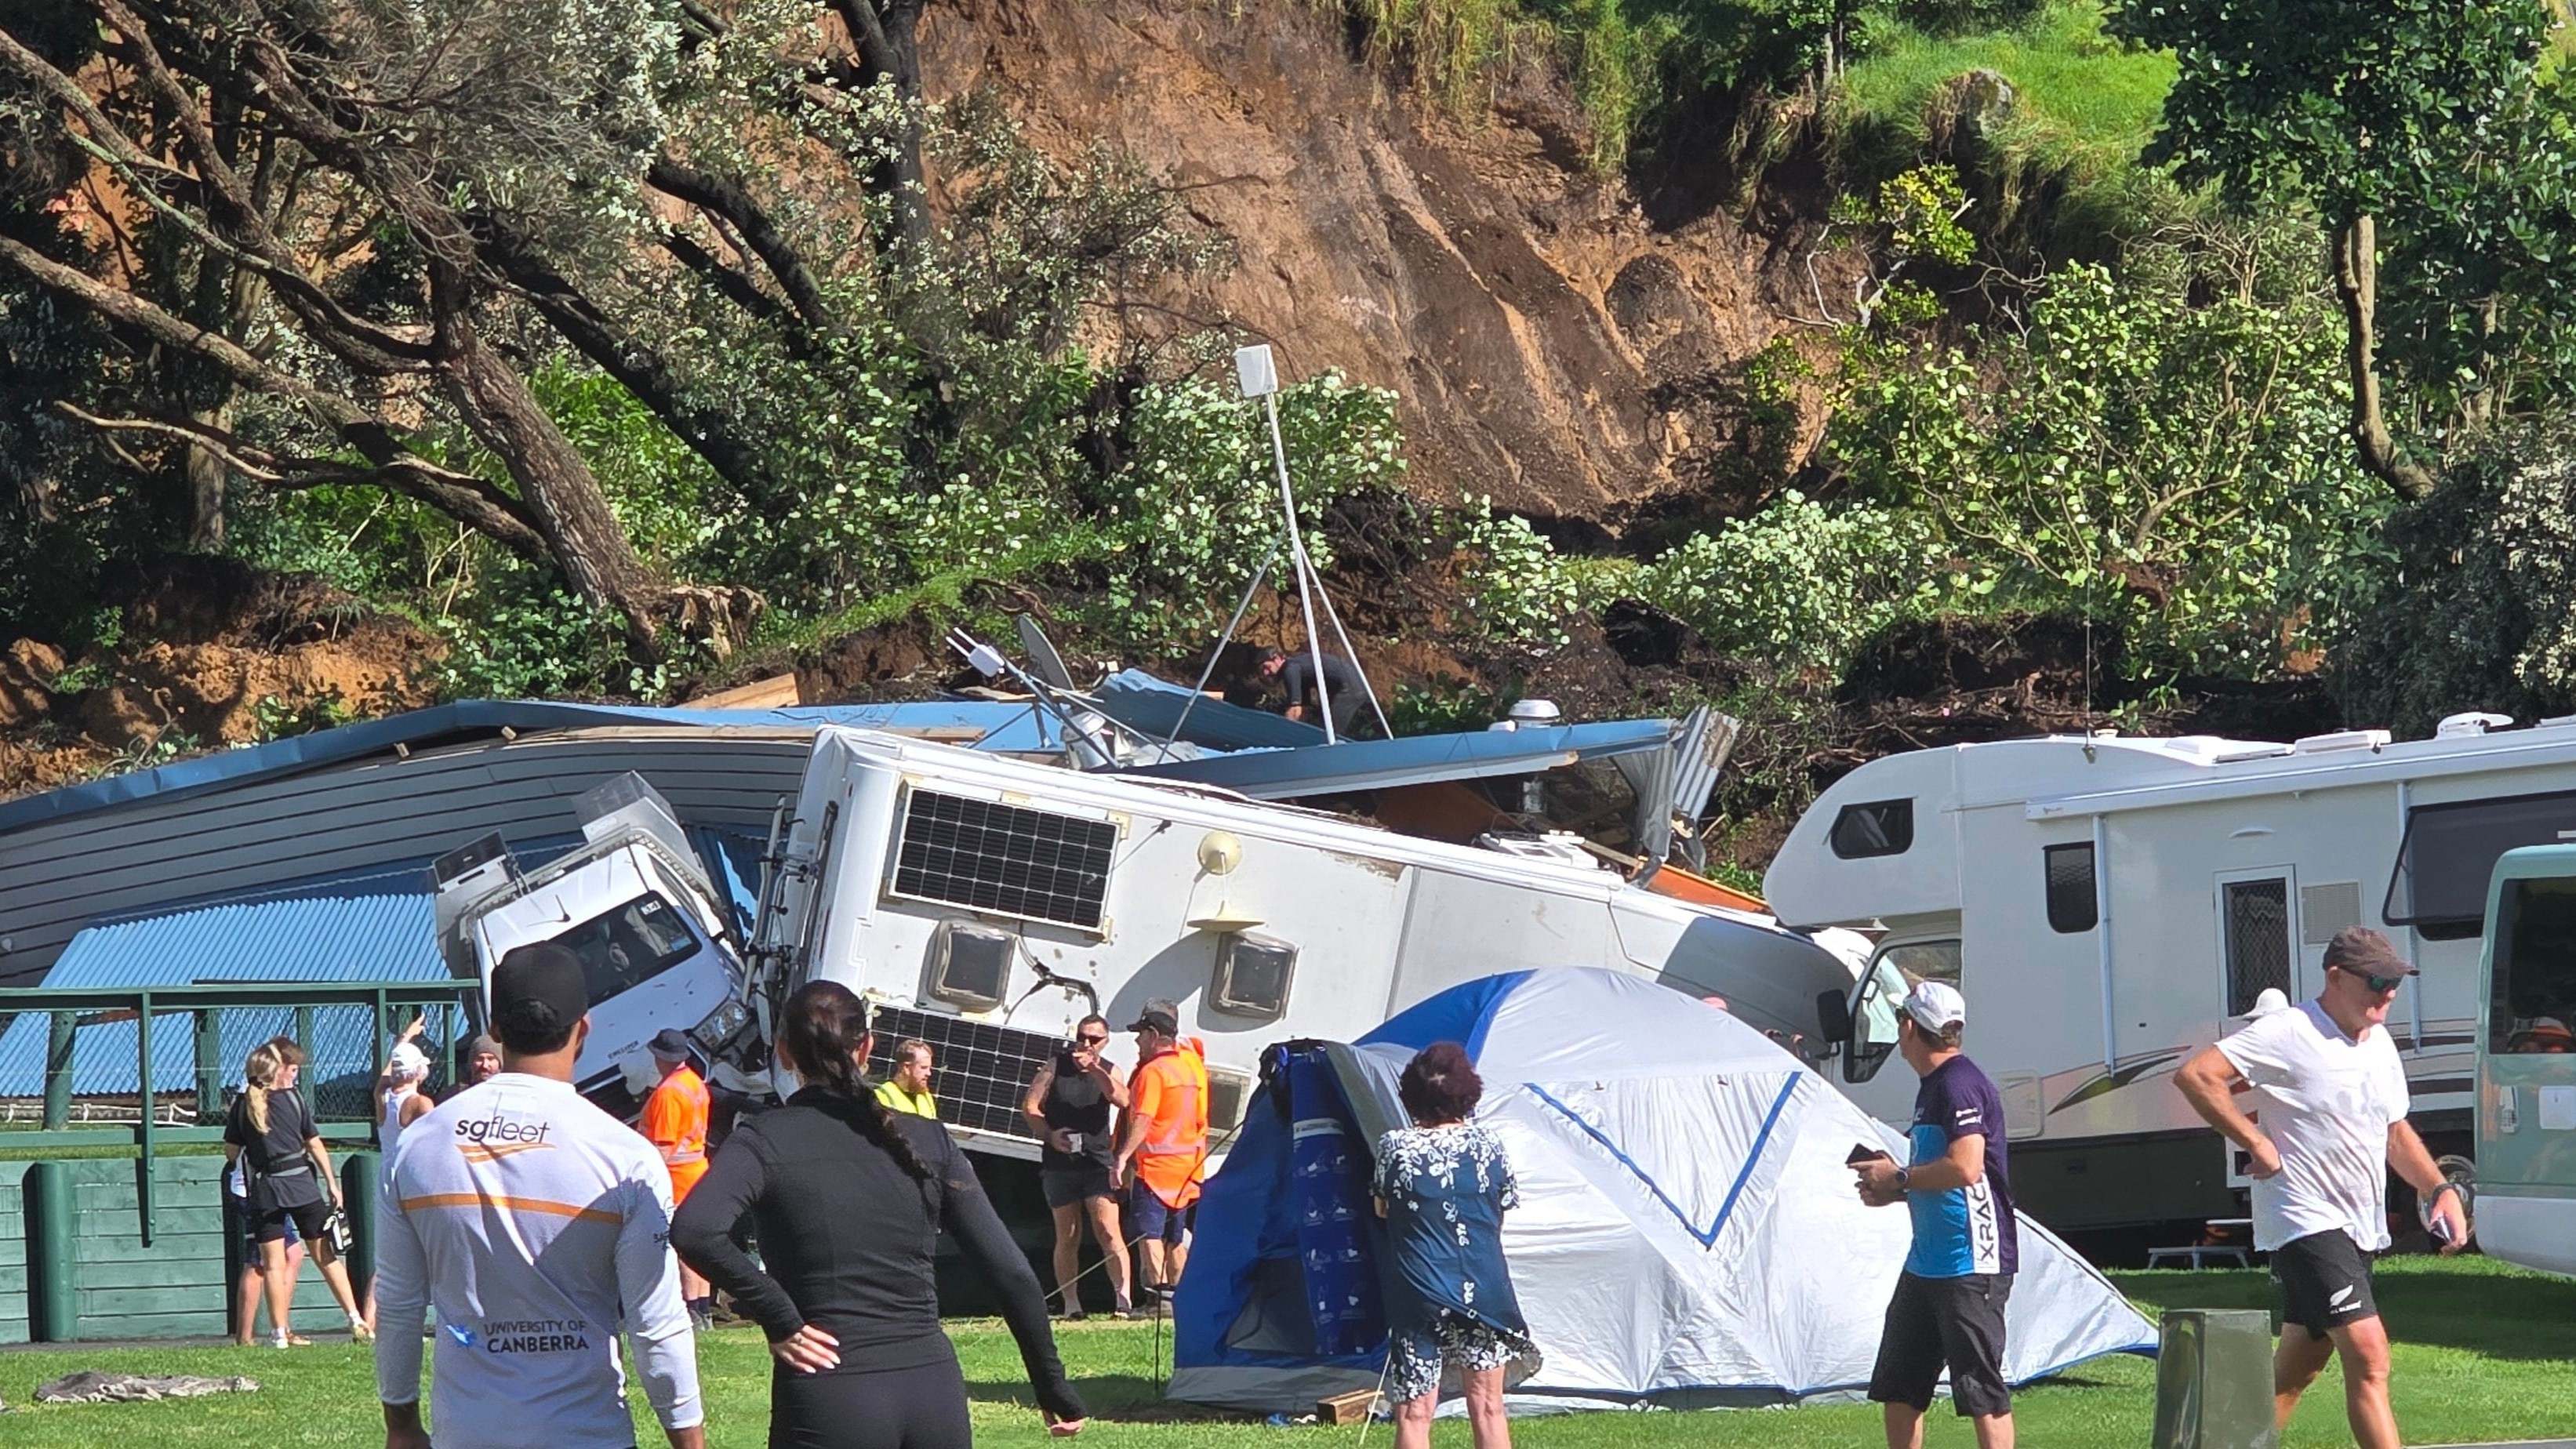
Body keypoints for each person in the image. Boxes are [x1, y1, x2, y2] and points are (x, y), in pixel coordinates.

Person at [671, 981, 1087, 1447]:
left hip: (830, 1387)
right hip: (932, 1389)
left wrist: (778, 1316)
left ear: (784, 1053)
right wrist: (1051, 1383)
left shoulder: (763, 1138)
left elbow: (695, 1230)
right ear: (866, 1047)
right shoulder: (927, 1137)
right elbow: (1011, 1272)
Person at [373, 943, 704, 1449]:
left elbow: (398, 1305)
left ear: (496, 1029)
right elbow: (656, 1324)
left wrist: (400, 1425)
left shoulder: (416, 1146)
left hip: (467, 1434)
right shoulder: (625, 1155)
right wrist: (689, 1442)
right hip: (587, 1434)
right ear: (583, 1029)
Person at [2175, 927, 2469, 1449]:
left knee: (2297, 1369)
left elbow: (2394, 1133)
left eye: (2395, 982)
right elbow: (2198, 1076)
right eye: (2377, 981)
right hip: (2303, 1219)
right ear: (2335, 977)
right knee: (2370, 1354)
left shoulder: (2379, 1043)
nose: (2388, 993)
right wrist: (2255, 1141)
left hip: (2358, 1226)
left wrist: (2438, 1189)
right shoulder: (2288, 1031)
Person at [1851, 980, 2017, 1449]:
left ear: (1908, 1027)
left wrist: (1899, 1178)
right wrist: (1894, 1189)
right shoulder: (1935, 1087)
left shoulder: (1959, 1084)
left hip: (1970, 1262)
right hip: (1926, 1263)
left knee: (1981, 1390)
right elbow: (1946, 1178)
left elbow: (1966, 1168)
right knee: (1900, 1385)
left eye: (1899, 1019)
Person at [1373, 1041, 1531, 1449]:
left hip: (1420, 1287)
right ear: (1468, 1092)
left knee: (1415, 1412)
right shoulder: (1489, 1145)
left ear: (1411, 1095)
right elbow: (1502, 1205)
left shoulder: (1395, 1146)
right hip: (1483, 1285)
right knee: (1489, 1406)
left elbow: (1382, 1208)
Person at [223, 1037, 371, 1346]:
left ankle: (279, 1333)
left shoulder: (242, 1105)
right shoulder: (294, 1099)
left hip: (265, 1188)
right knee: (325, 1255)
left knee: (273, 1264)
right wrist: (332, 1182)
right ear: (278, 1070)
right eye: (291, 1069)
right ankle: (355, 1319)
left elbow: (231, 1152)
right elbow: (313, 1143)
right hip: (301, 1183)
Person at [1021, 1014, 1134, 1320]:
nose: (1086, 1044)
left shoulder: (1109, 1069)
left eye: (1094, 1039)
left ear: (1105, 1041)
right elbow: (1030, 1106)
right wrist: (1049, 1134)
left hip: (1097, 1161)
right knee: (1068, 1234)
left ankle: (1122, 1300)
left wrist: (1095, 1068)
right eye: (1081, 1037)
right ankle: (1071, 1305)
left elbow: (1122, 1100)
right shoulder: (1055, 1066)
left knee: (1108, 1229)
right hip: (1060, 1163)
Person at [1114, 1001, 1208, 1310]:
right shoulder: (1190, 1068)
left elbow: (1144, 1118)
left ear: (1154, 1035)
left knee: (1149, 1235)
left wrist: (1122, 1157)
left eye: (1141, 1034)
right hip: (1186, 1170)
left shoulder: (1153, 1072)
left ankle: (1157, 1299)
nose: (1137, 1040)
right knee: (1175, 1237)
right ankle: (1177, 1299)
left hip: (1155, 1170)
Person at [642, 1027, 718, 1331]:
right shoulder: (694, 1083)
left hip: (676, 1180)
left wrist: (644, 1180)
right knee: (697, 1245)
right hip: (697, 1171)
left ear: (660, 1057)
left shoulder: (668, 1093)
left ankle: (692, 1313)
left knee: (679, 1246)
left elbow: (662, 1147)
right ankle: (703, 1309)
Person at [366, 1022, 438, 1331]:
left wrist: (405, 1038)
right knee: (425, 1247)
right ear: (419, 1071)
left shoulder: (382, 1097)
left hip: (386, 1176)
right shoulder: (421, 1104)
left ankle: (369, 1320)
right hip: (411, 1178)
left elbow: (385, 1076)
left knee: (389, 1254)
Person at [227, 1135, 306, 1345]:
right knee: (259, 1263)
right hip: (255, 1190)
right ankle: (248, 1337)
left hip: (275, 1188)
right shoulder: (246, 1116)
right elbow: (231, 1150)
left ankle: (280, 1328)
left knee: (292, 1255)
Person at [1254, 646, 1366, 735]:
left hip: (1350, 689)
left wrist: (1282, 735)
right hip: (1350, 687)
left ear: (1277, 659)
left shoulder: (1290, 669)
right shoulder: (1298, 667)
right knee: (1323, 726)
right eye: (1262, 671)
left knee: (1331, 733)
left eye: (1267, 667)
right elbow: (1304, 709)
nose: (1266, 673)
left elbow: (1295, 709)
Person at [874, 1038, 939, 1119]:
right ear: (907, 1067)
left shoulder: (926, 1098)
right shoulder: (883, 1096)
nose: (929, 1073)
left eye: (929, 1068)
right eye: (923, 1068)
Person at [434, 1034, 502, 1105]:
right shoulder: (453, 1095)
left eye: (490, 1059)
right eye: (480, 1059)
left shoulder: (507, 1094)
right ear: (471, 1063)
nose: (485, 1065)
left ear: (500, 1063)